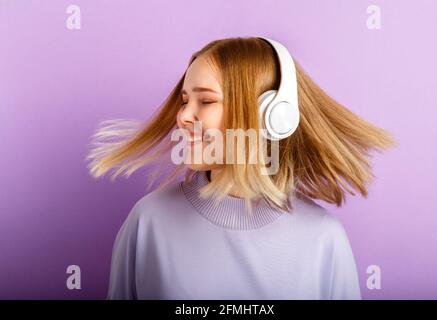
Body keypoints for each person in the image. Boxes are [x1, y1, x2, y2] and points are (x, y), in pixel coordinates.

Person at [86, 36, 396, 299]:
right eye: (184, 101)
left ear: (270, 115)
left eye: (205, 102)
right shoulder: (147, 222)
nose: (182, 117)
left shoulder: (323, 239)